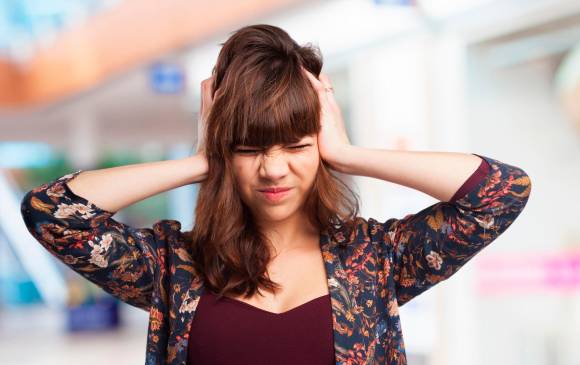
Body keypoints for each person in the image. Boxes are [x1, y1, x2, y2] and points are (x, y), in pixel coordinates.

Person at [20, 24, 532, 365]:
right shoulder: (174, 266)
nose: (272, 169)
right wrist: (203, 157)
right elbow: (51, 213)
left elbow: (501, 192)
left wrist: (348, 153)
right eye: (248, 148)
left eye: (296, 145)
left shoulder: (376, 259)